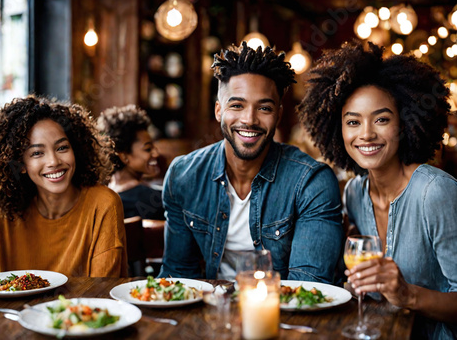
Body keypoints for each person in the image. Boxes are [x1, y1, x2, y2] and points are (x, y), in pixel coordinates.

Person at [297, 40, 457, 339]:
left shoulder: (435, 193)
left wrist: (408, 295)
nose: (366, 134)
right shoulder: (354, 193)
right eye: (353, 122)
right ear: (337, 130)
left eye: (381, 119)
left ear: (405, 123)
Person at [158, 42, 344, 282]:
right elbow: (178, 278)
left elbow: (307, 288)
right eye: (237, 105)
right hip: (212, 312)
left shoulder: (311, 181)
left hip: (283, 314)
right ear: (218, 110)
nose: (249, 120)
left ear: (278, 113)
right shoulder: (183, 175)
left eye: (264, 108)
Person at [0, 95, 128, 278]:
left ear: (75, 149)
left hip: (83, 306)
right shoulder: (0, 212)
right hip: (16, 308)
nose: (53, 161)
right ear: (20, 164)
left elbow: (101, 287)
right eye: (37, 153)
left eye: (62, 148)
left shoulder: (103, 204)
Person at [98, 105, 165, 220]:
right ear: (124, 156)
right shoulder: (155, 200)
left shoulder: (103, 199)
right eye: (148, 149)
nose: (156, 154)